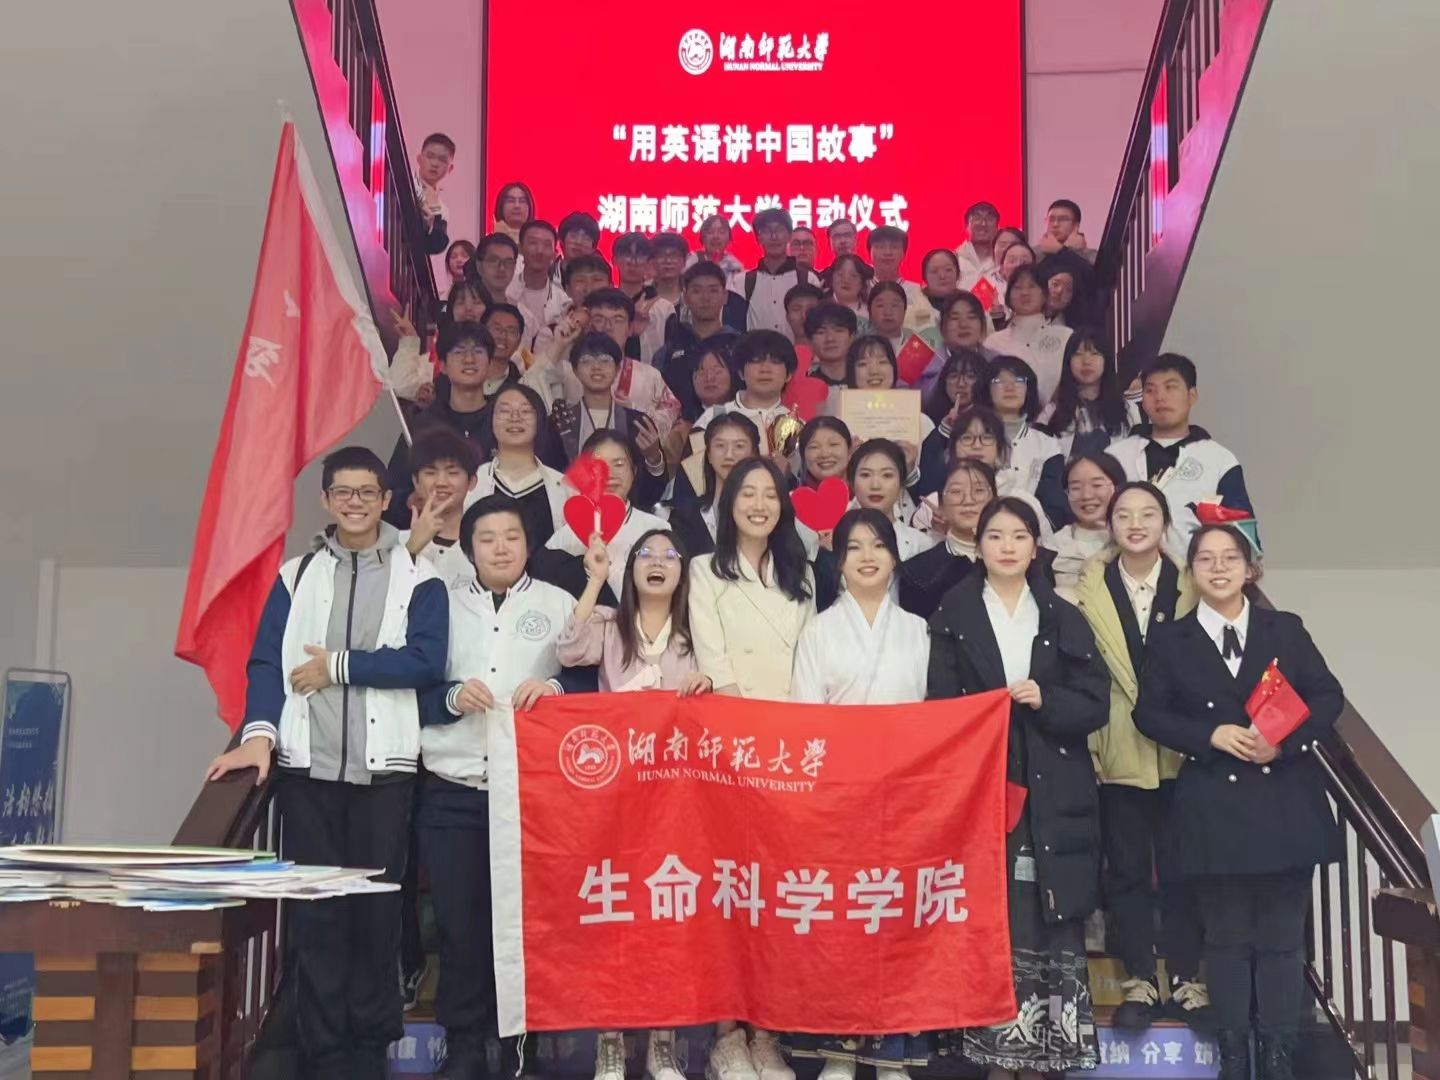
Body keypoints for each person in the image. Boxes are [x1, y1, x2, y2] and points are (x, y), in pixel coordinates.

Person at [206, 446, 449, 1079]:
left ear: (387, 500)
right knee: (316, 916)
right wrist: (260, 734)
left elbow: (425, 661)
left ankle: (367, 1055)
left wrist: (337, 667)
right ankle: (322, 1053)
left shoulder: (418, 576)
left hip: (385, 773)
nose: (355, 503)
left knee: (374, 917)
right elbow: (267, 662)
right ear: (325, 499)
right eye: (343, 492)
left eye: (367, 492)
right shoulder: (297, 575)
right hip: (307, 772)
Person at [1135, 525, 1344, 1080]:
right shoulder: (1171, 638)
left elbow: (1328, 696)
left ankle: (1277, 1061)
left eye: (1230, 557)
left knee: (1281, 942)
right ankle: (1233, 1060)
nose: (1219, 567)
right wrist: (1210, 735)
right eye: (1206, 558)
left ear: (1251, 569)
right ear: (1191, 572)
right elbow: (1148, 714)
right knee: (1225, 941)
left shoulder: (1284, 628)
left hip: (1285, 804)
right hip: (1213, 807)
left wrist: (1284, 743)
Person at [926, 497, 1107, 1079]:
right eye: (995, 535)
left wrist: (1046, 700)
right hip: (982, 785)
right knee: (991, 912)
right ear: (978, 546)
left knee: (1049, 911)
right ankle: (993, 1061)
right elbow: (938, 704)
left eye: (1019, 536)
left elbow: (1095, 703)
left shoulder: (1062, 615)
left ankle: (1041, 1060)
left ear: (1035, 548)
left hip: (1052, 787)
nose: (1007, 546)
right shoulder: (952, 613)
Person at [417, 494, 575, 1080]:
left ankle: (520, 1047)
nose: (501, 548)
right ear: (469, 548)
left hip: (532, 794)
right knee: (459, 924)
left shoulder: (559, 604)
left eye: (512, 536)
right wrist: (450, 697)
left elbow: (593, 677)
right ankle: (463, 1044)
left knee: (525, 924)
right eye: (487, 539)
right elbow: (413, 685)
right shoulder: (440, 602)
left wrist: (556, 691)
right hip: (453, 787)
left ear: (529, 544)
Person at [688, 455, 815, 1080]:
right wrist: (752, 743)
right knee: (730, 894)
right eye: (748, 494)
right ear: (729, 503)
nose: (760, 505)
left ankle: (767, 1032)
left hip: (790, 752)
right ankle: (726, 1035)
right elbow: (715, 663)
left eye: (770, 494)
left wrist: (792, 741)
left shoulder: (802, 573)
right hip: (733, 752)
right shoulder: (703, 570)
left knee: (776, 898)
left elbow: (810, 663)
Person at [1072, 481, 1208, 1036]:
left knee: (1182, 867)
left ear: (1164, 523)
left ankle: (1186, 977)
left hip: (1181, 749)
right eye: (1123, 515)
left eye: (1147, 514)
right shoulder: (1089, 587)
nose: (1135, 524)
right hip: (1118, 743)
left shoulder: (1191, 583)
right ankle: (1138, 979)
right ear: (1110, 526)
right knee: (1127, 870)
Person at [1105, 354, 1256, 557]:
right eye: (1150, 390)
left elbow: (1244, 535)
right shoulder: (1115, 457)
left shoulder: (1220, 460)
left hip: (1195, 573)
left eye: (1170, 387)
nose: (1160, 397)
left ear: (1192, 396)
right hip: (1123, 571)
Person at [385, 322, 499, 527]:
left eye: (478, 351)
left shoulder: (504, 421)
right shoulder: (421, 426)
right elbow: (392, 491)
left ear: (490, 364)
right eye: (459, 352)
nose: (469, 359)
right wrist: (409, 502)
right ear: (443, 365)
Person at [537, 429, 670, 601]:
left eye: (619, 464)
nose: (609, 474)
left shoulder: (656, 529)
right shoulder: (564, 539)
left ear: (634, 471)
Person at [549, 333, 667, 503]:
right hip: (572, 511)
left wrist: (653, 457)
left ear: (618, 369)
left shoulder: (638, 423)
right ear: (575, 370)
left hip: (626, 512)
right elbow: (550, 478)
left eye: (605, 360)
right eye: (586, 361)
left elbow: (652, 492)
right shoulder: (560, 422)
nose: (596, 367)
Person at [467, 384, 570, 548]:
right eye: (505, 411)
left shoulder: (565, 488)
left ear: (540, 421)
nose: (515, 417)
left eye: (526, 411)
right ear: (491, 420)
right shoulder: (471, 484)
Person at [898, 460, 995, 619]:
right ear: (941, 504)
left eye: (978, 490)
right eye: (956, 492)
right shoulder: (917, 573)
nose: (968, 500)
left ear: (994, 499)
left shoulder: (1016, 560)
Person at [978, 356, 1066, 526]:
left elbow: (1054, 505)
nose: (1010, 387)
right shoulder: (972, 438)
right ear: (987, 389)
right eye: (1000, 381)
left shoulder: (1047, 444)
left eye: (1018, 380)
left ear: (1028, 389)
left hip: (1031, 529)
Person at [400, 430, 483, 590]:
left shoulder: (487, 545)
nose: (441, 482)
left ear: (472, 482)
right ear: (416, 481)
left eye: (453, 473)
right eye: (430, 473)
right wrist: (412, 547)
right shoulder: (394, 543)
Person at [693, 330, 798, 456]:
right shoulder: (712, 417)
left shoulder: (796, 426)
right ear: (741, 373)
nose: (765, 369)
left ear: (789, 375)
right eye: (755, 361)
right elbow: (694, 467)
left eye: (775, 361)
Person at [1037, 332, 1140, 457]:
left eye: (1095, 353)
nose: (1086, 361)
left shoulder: (1128, 410)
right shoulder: (1052, 412)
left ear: (1107, 361)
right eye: (1078, 354)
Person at [669, 413, 760, 553]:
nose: (729, 455)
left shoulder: (766, 512)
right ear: (709, 455)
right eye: (720, 445)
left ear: (753, 455)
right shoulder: (684, 516)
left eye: (739, 446)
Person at [985, 266, 1073, 407]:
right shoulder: (993, 342)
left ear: (1044, 294)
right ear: (1008, 296)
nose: (1025, 293)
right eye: (1018, 287)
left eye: (1032, 286)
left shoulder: (1066, 336)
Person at [1043, 453, 1126, 598]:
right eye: (1075, 488)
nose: (1086, 495)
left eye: (1097, 485)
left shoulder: (1133, 542)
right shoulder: (1052, 547)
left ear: (1117, 488)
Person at [847, 439, 937, 562]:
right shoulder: (837, 538)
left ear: (901, 484)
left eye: (887, 475)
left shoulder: (921, 545)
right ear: (852, 482)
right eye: (865, 475)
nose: (875, 485)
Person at [746, 208, 821, 338]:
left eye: (779, 230)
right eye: (767, 231)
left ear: (789, 235)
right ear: (758, 238)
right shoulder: (742, 282)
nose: (774, 237)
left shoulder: (808, 279)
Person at [914, 292, 996, 394]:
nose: (963, 324)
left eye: (971, 317)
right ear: (941, 326)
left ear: (982, 324)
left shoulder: (995, 362)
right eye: (955, 318)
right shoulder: (922, 365)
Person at [507, 220, 560, 341]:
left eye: (547, 245)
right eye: (533, 243)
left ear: (555, 254)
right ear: (520, 248)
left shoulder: (562, 301)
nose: (539, 251)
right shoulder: (506, 293)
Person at [866, 225, 927, 327]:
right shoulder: (860, 290)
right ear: (869, 252)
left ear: (904, 253)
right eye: (880, 247)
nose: (887, 253)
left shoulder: (917, 291)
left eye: (894, 247)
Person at [921, 346, 988, 431]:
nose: (961, 384)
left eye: (970, 376)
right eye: (954, 376)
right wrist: (945, 428)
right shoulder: (928, 420)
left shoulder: (992, 419)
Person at [415, 133, 455, 255]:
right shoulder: (405, 184)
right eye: (430, 156)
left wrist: (434, 208)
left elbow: (436, 245)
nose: (435, 164)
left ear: (450, 168)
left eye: (442, 160)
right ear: (419, 159)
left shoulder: (443, 209)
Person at [803, 301, 859, 386]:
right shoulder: (805, 386)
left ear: (851, 337)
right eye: (821, 332)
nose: (830, 338)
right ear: (810, 341)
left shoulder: (867, 382)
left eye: (838, 331)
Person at [480, 303, 529, 389]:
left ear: (519, 341)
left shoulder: (522, 387)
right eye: (497, 329)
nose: (503, 336)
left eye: (511, 331)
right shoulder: (460, 375)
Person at [955, 200, 1001, 291]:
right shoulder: (954, 260)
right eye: (977, 218)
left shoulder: (1003, 262)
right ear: (967, 226)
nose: (983, 224)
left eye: (989, 219)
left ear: (997, 228)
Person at [689, 213, 746, 285]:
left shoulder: (735, 267)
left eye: (721, 232)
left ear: (728, 238)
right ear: (702, 237)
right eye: (710, 232)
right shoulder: (691, 262)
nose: (716, 236)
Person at [1034, 198, 1095, 263]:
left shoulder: (1091, 257)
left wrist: (1065, 250)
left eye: (1063, 219)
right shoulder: (1033, 254)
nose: (1055, 224)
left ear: (1076, 225)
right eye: (1051, 219)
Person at [920, 248, 962, 321]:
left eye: (948, 270)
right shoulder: (914, 305)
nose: (942, 276)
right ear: (924, 277)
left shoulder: (970, 303)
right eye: (934, 271)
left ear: (958, 273)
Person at [826, 252, 872, 320]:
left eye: (853, 276)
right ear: (831, 279)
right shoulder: (821, 310)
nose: (846, 280)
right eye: (840, 274)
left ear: (862, 283)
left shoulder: (870, 314)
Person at [651, 231, 690, 307]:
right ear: (652, 261)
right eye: (661, 255)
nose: (668, 261)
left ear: (684, 261)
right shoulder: (643, 297)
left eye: (674, 255)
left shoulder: (693, 297)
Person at [784, 282, 824, 354]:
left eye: (811, 309)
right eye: (796, 309)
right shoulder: (781, 358)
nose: (804, 316)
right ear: (787, 317)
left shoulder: (838, 357)